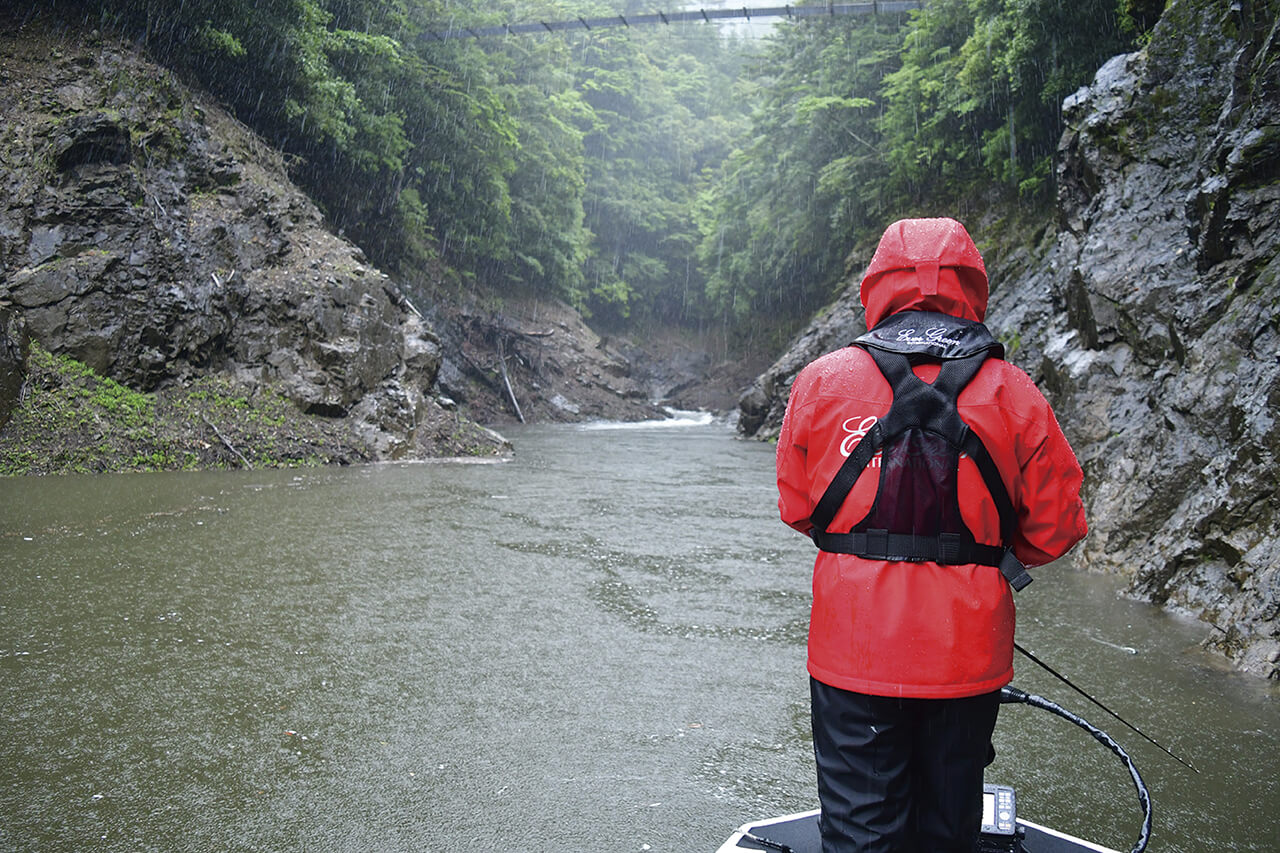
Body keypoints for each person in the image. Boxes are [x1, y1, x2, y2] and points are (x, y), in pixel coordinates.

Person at [775, 217, 1087, 853]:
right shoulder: (1015, 391)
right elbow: (1057, 528)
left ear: (876, 287)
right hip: (966, 647)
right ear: (972, 287)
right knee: (949, 825)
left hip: (852, 643)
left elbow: (798, 508)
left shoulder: (822, 381)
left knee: (860, 827)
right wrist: (978, 557)